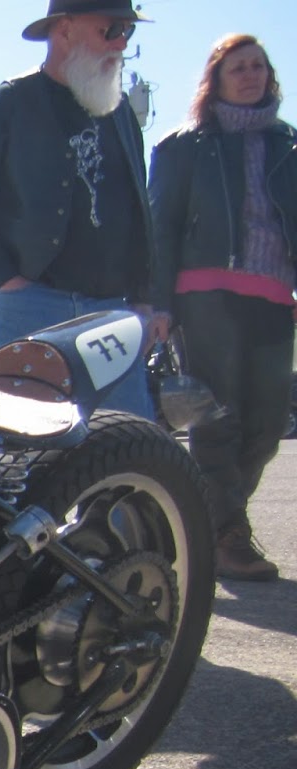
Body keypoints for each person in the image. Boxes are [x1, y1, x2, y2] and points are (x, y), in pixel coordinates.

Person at [0, 0, 159, 418]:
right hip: (30, 306)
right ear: (64, 30)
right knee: (30, 457)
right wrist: (8, 282)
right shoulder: (3, 105)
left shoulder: (123, 119)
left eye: (128, 34)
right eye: (110, 30)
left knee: (129, 447)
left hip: (112, 312)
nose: (121, 44)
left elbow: (140, 213)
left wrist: (146, 299)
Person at [150, 35, 296, 582]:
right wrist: (159, 304)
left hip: (275, 296)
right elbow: (159, 228)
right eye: (239, 67)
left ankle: (207, 517)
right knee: (218, 414)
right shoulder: (185, 146)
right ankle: (229, 532)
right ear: (217, 77)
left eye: (259, 65)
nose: (251, 74)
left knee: (267, 421)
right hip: (205, 292)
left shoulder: (289, 145)